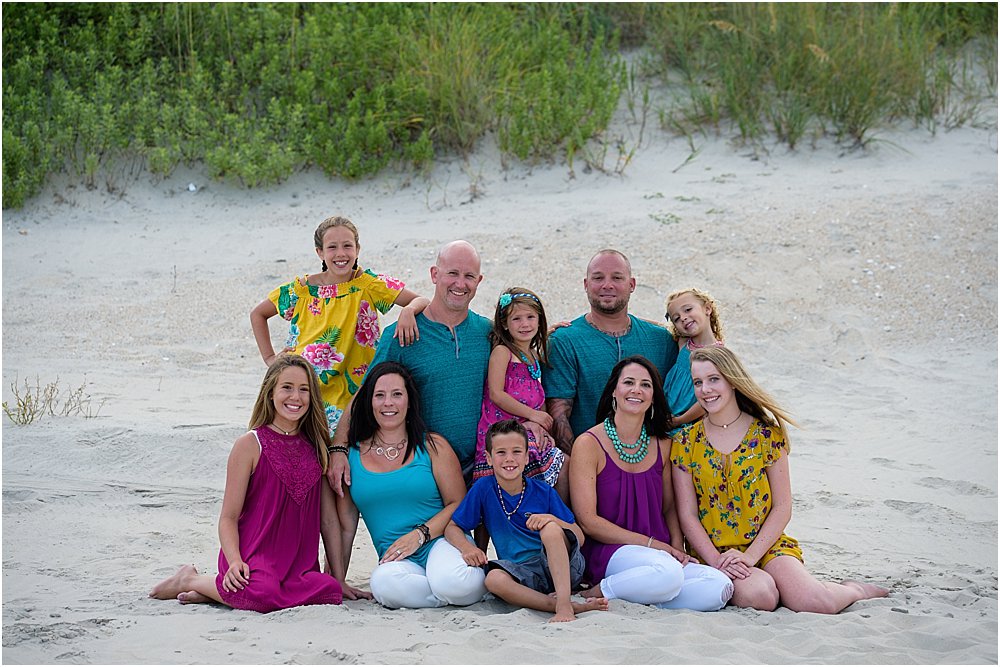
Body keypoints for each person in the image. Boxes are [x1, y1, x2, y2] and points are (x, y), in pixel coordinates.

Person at [671, 346, 890, 612]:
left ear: (732, 380)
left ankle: (854, 589)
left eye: (714, 379)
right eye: (698, 382)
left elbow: (783, 506)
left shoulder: (767, 435)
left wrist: (751, 556)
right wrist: (716, 560)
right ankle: (777, 586)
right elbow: (687, 514)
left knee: (817, 603)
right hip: (717, 552)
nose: (705, 389)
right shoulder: (685, 442)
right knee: (761, 596)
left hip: (767, 544)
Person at [149, 355, 358, 612]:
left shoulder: (317, 449)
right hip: (253, 557)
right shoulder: (250, 444)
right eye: (287, 388)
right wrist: (235, 560)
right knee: (263, 594)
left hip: (297, 567)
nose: (296, 397)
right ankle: (189, 579)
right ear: (270, 393)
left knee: (330, 590)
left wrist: (338, 578)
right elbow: (228, 517)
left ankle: (214, 593)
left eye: (304, 390)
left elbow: (328, 521)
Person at [569, 355, 734, 611]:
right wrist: (653, 545)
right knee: (667, 573)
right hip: (610, 551)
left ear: (654, 395)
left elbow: (669, 508)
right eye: (629, 382)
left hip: (659, 555)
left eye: (646, 385)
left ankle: (641, 594)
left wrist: (676, 548)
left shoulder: (663, 444)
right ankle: (601, 589)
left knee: (719, 586)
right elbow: (588, 521)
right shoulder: (589, 444)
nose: (637, 390)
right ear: (614, 390)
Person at [328, 240, 491, 493]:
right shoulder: (401, 335)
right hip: (424, 471)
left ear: (478, 281)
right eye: (452, 274)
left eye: (469, 276)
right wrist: (339, 447)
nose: (460, 284)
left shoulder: (487, 332)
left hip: (482, 467)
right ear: (435, 275)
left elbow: (524, 349)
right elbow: (365, 393)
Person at [250, 215, 429, 436]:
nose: (341, 254)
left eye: (347, 246)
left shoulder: (368, 284)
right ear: (320, 252)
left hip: (353, 386)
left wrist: (409, 310)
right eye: (332, 247)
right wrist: (269, 358)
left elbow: (421, 300)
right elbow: (258, 314)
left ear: (357, 249)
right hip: (307, 385)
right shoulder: (302, 289)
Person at [332, 361, 487, 609]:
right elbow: (345, 527)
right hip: (396, 558)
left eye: (397, 394)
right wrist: (336, 579)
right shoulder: (350, 458)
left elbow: (458, 503)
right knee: (383, 584)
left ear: (409, 401)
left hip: (441, 542)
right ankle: (442, 589)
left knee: (456, 582)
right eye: (379, 395)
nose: (388, 403)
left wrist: (419, 535)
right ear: (369, 402)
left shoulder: (433, 446)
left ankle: (446, 585)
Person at [446, 420, 608, 622]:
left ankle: (564, 605)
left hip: (560, 567)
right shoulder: (483, 489)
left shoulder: (543, 491)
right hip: (522, 572)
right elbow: (453, 527)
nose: (509, 459)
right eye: (501, 453)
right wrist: (467, 548)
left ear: (526, 457)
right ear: (488, 458)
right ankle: (561, 604)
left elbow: (579, 536)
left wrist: (552, 520)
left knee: (550, 529)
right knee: (494, 580)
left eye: (516, 452)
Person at [545, 249, 676, 455]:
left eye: (617, 277)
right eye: (598, 278)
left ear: (631, 285)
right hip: (590, 464)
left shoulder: (661, 340)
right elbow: (559, 415)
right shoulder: (564, 341)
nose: (607, 285)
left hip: (653, 463)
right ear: (586, 285)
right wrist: (581, 466)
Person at [473, 288, 565, 496]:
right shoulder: (502, 352)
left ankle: (557, 513)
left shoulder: (532, 355)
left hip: (525, 426)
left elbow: (536, 392)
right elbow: (497, 394)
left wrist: (540, 425)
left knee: (562, 461)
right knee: (540, 459)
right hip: (500, 431)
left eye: (531, 317)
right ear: (505, 324)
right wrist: (532, 415)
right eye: (517, 319)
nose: (525, 324)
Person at [662, 288, 726, 435]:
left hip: (688, 422)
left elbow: (708, 399)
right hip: (665, 414)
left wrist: (680, 420)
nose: (683, 318)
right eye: (676, 319)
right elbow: (660, 327)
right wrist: (630, 319)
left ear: (707, 308)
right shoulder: (684, 343)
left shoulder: (718, 355)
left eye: (688, 309)